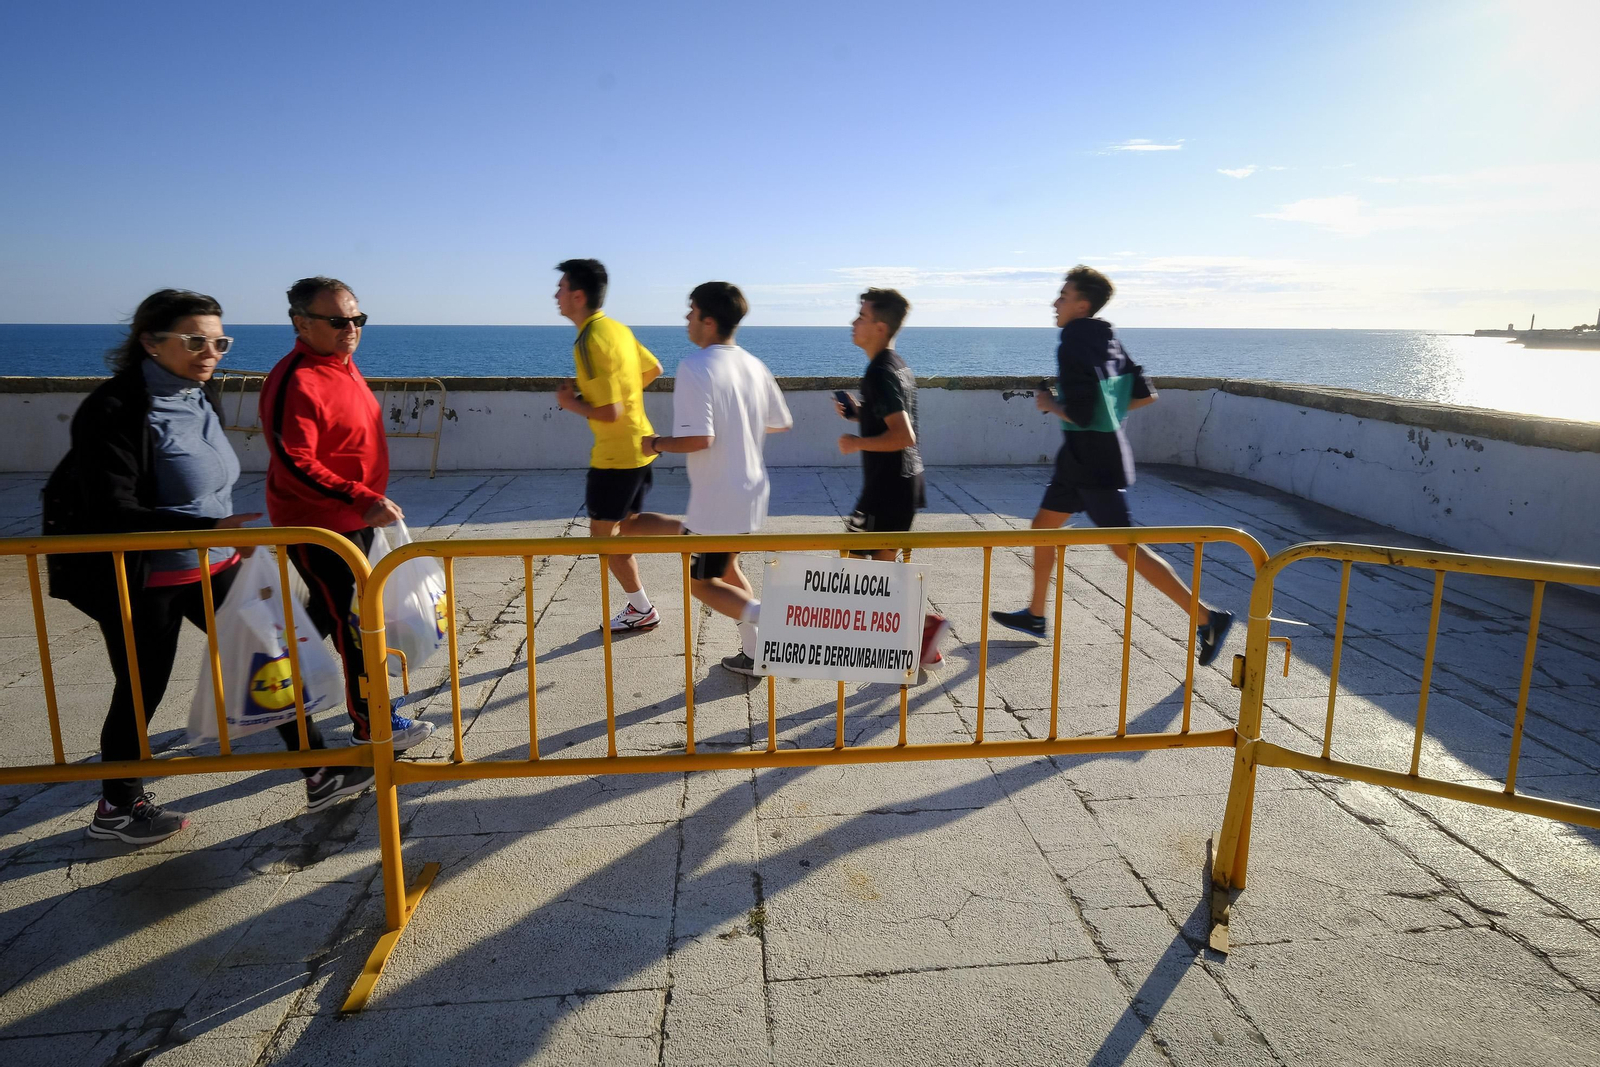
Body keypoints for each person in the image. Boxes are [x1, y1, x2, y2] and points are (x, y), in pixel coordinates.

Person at [41, 289, 374, 845]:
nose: (211, 351)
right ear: (151, 342)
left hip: (210, 560)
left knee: (271, 662)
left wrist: (222, 533)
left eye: (220, 341)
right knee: (142, 689)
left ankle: (319, 770)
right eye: (196, 340)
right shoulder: (115, 408)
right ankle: (116, 808)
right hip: (143, 574)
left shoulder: (199, 394)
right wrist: (210, 530)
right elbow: (110, 508)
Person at [990, 266, 1234, 664]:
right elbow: (1145, 394)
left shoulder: (1072, 340)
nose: (1055, 302)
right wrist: (1105, 417)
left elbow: (1083, 414)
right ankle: (1035, 614)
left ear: (1081, 305)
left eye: (1063, 296)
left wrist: (1052, 404)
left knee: (1128, 550)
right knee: (1042, 529)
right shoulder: (1107, 336)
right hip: (1083, 460)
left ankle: (1208, 618)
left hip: (1094, 466)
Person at [259, 277, 434, 750]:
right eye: (337, 320)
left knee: (328, 614)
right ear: (301, 322)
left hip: (355, 519)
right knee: (354, 623)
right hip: (322, 523)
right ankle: (372, 723)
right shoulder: (297, 377)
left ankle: (269, 688)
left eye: (357, 318)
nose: (351, 328)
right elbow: (295, 458)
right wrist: (358, 496)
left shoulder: (343, 365)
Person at [632, 282, 791, 675]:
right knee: (727, 572)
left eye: (691, 311)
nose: (686, 318)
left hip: (718, 497)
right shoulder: (753, 364)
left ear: (709, 319)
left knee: (700, 584)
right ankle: (755, 655)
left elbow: (699, 438)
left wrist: (655, 443)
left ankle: (769, 619)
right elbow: (780, 422)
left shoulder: (695, 366)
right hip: (751, 490)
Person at [834, 288, 949, 667]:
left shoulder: (880, 372)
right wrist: (859, 415)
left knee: (854, 566)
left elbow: (903, 435)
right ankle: (920, 640)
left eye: (861, 316)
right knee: (879, 570)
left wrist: (856, 441)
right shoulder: (895, 364)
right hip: (904, 484)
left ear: (879, 327)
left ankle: (922, 628)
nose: (854, 322)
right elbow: (892, 416)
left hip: (886, 489)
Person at [553, 258, 666, 633]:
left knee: (603, 539)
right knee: (627, 525)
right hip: (641, 444)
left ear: (579, 296)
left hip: (615, 457)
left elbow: (608, 412)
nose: (556, 295)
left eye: (562, 288)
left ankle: (641, 608)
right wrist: (627, 400)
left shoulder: (588, 341)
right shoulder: (617, 329)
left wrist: (571, 403)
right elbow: (654, 370)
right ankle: (689, 533)